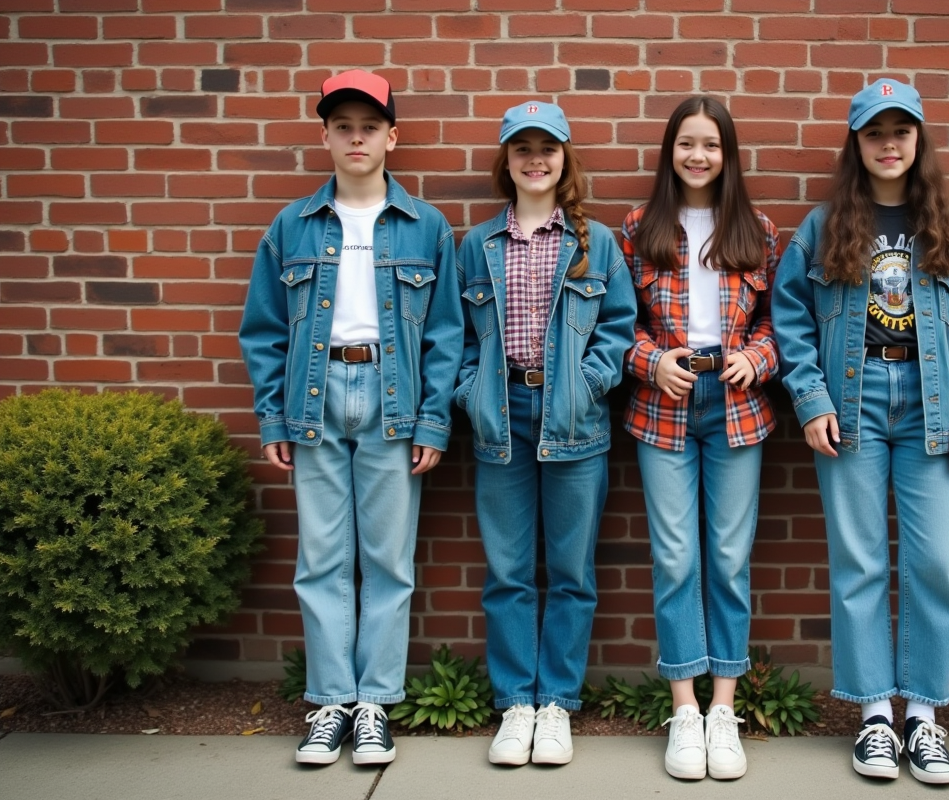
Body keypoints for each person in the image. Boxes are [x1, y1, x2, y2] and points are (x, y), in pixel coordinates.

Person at [774, 79, 949, 784]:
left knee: (934, 561)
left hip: (931, 409)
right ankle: (876, 715)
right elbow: (789, 318)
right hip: (853, 404)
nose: (888, 145)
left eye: (901, 132)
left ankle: (924, 718)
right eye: (875, 133)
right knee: (860, 561)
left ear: (918, 142)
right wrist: (812, 400)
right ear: (858, 144)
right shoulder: (823, 227)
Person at [239, 69, 462, 766]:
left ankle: (374, 705)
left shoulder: (426, 226)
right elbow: (265, 329)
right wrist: (273, 417)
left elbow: (446, 335)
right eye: (343, 126)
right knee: (323, 560)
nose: (356, 138)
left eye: (370, 126)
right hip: (315, 396)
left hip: (393, 399)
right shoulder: (293, 225)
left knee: (388, 561)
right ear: (326, 137)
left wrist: (432, 421)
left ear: (392, 136)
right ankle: (330, 701)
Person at [455, 101, 637, 767]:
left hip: (574, 424)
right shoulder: (476, 245)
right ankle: (515, 705)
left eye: (548, 147)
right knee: (506, 572)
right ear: (506, 161)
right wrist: (471, 394)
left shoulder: (594, 244)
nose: (536, 158)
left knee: (569, 572)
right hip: (500, 421)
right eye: (522, 148)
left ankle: (556, 703)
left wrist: (586, 384)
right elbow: (456, 336)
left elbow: (618, 329)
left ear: (565, 159)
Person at [621, 96, 781, 781]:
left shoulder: (758, 230)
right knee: (677, 554)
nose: (697, 156)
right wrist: (649, 361)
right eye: (686, 143)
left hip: (738, 406)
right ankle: (684, 708)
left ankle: (724, 709)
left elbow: (782, 323)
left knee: (728, 555)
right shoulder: (636, 228)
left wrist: (759, 358)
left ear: (728, 155)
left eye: (711, 145)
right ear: (669, 151)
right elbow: (611, 323)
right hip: (665, 405)